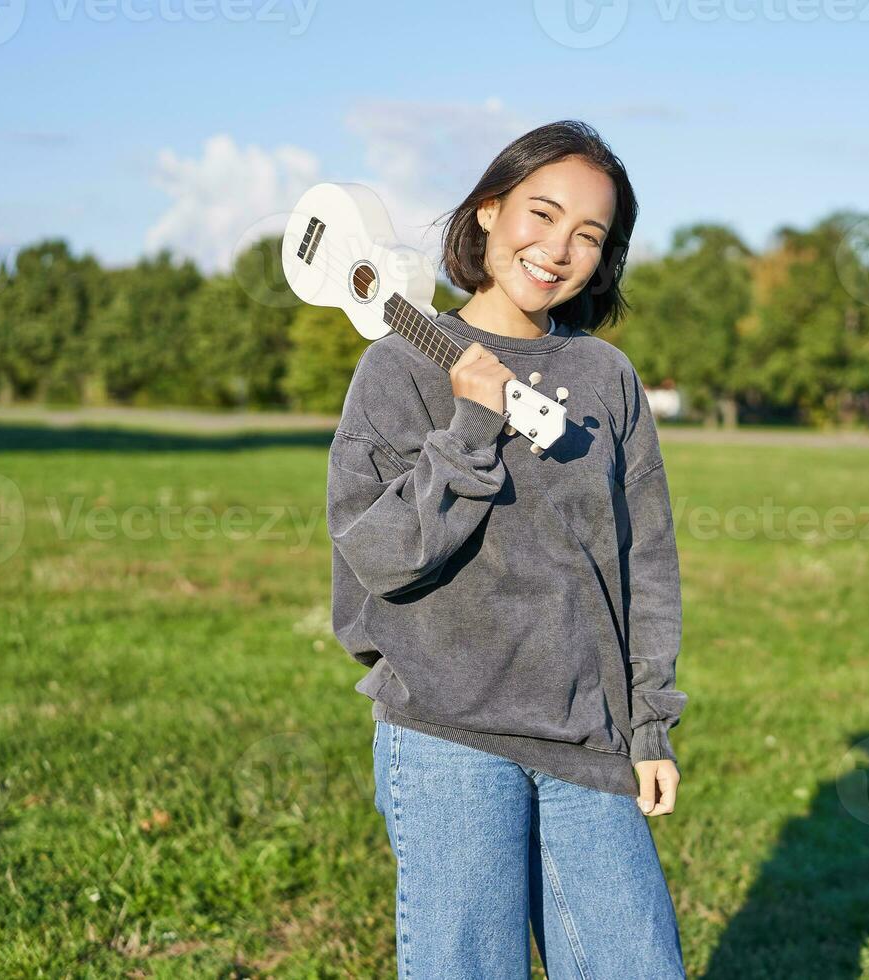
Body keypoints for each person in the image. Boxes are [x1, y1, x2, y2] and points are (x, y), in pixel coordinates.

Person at [325, 120, 689, 978]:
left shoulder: (607, 377)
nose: (558, 248)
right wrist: (472, 428)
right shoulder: (398, 366)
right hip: (448, 735)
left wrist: (648, 725)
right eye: (541, 212)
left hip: (586, 739)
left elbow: (646, 564)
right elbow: (376, 555)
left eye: (589, 236)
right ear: (488, 211)